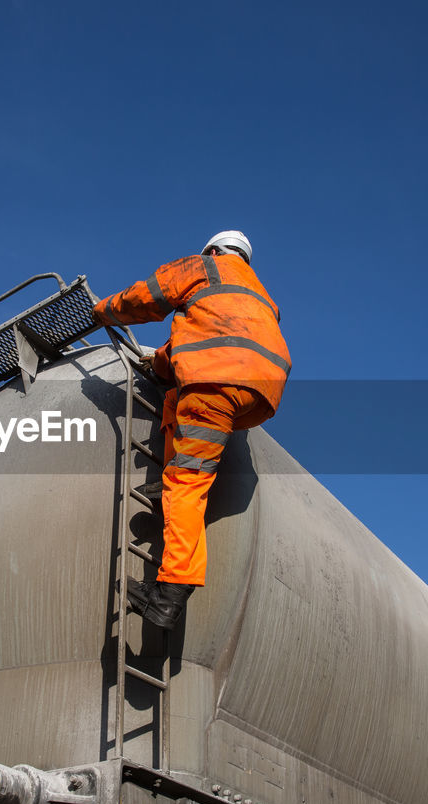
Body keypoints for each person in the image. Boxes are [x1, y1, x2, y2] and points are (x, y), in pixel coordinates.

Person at [92, 231, 290, 629]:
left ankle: (168, 595)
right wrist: (159, 365)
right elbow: (195, 344)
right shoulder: (259, 296)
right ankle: (167, 480)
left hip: (215, 381)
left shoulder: (204, 267)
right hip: (260, 393)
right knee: (174, 400)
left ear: (214, 250)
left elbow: (146, 296)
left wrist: (101, 312)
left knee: (188, 482)